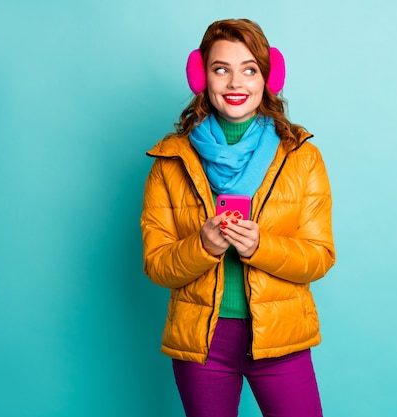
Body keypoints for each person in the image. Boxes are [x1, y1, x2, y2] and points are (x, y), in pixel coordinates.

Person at [140, 18, 336, 417]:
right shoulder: (171, 160)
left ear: (268, 77)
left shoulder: (301, 156)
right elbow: (157, 265)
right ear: (201, 77)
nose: (235, 83)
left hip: (282, 340)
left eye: (249, 69)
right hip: (201, 345)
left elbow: (319, 257)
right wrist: (203, 247)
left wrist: (262, 246)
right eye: (221, 69)